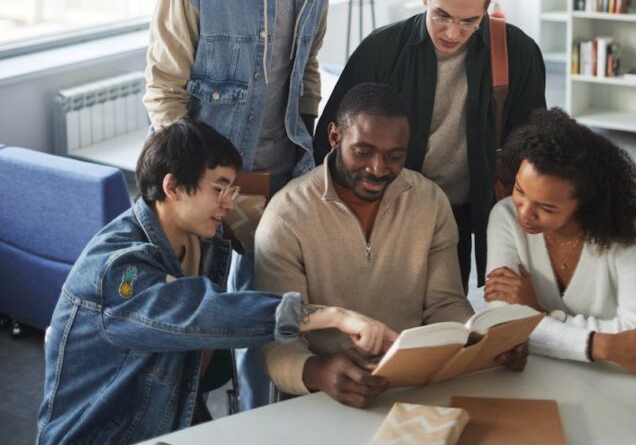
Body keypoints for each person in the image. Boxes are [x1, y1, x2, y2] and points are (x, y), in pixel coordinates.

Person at [37, 120, 394, 445]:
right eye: (219, 190)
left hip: (170, 425)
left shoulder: (204, 243)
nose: (228, 204)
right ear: (173, 187)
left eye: (231, 191)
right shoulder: (122, 271)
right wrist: (330, 316)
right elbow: (204, 312)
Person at [144, 0, 333, 408]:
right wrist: (188, 180)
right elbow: (164, 90)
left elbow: (309, 68)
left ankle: (257, 420)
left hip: (281, 173)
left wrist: (312, 134)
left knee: (264, 309)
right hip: (207, 179)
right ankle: (190, 418)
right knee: (194, 317)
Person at [256, 83, 526, 408]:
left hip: (413, 388)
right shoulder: (286, 216)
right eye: (363, 152)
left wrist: (482, 344)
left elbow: (444, 304)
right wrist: (317, 371)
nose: (378, 169)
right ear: (334, 137)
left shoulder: (429, 202)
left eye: (394, 156)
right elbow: (278, 336)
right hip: (322, 397)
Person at [313, 0, 546, 288]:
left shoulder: (518, 52)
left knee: (472, 306)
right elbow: (329, 141)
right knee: (402, 307)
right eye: (442, 15)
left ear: (487, 9)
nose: (453, 32)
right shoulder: (382, 49)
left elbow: (534, 148)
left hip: (479, 205)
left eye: (470, 21)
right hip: (396, 209)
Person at [484, 108, 636, 376]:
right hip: (538, 376)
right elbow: (502, 324)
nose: (524, 213)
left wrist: (539, 314)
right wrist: (604, 346)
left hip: (613, 384)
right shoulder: (505, 217)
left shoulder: (627, 228)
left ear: (584, 203)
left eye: (546, 208)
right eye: (519, 190)